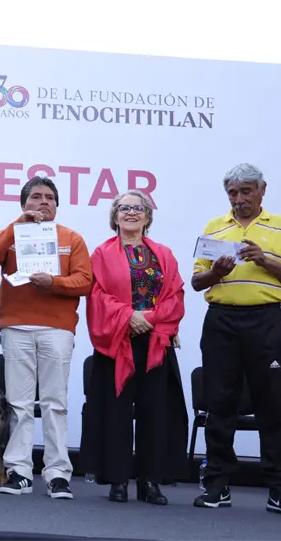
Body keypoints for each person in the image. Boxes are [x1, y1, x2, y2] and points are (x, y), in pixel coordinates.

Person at [192, 163, 281, 518]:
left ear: (262, 190)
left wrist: (266, 260)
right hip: (221, 322)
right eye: (233, 193)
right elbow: (197, 283)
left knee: (271, 405)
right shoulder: (215, 226)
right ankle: (216, 485)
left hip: (266, 322)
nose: (239, 199)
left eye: (246, 191)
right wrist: (216, 272)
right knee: (219, 403)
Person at [0, 176, 92, 499]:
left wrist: (53, 283)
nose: (44, 202)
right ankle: (19, 471)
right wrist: (18, 224)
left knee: (55, 403)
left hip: (57, 328)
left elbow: (85, 281)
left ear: (57, 206)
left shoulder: (72, 238)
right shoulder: (12, 234)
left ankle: (58, 474)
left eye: (50, 198)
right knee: (19, 405)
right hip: (16, 326)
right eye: (36, 197)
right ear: (24, 203)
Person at [81, 190, 188, 505]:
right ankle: (117, 481)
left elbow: (175, 295)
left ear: (148, 216)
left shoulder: (164, 254)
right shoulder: (101, 253)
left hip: (155, 341)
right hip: (116, 342)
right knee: (115, 413)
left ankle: (150, 481)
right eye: (124, 208)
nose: (131, 213)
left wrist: (149, 320)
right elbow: (97, 295)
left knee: (155, 412)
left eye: (137, 208)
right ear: (115, 216)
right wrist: (128, 317)